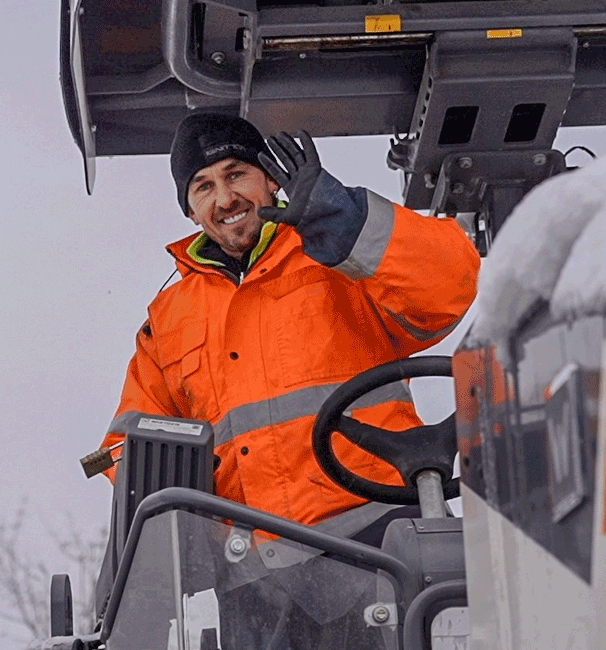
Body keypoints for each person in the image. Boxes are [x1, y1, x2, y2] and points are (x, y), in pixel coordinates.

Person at [98, 112, 480, 536]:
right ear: (190, 211)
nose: (225, 199)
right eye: (204, 186)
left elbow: (448, 286)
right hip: (253, 568)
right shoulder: (166, 319)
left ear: (271, 180)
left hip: (383, 526)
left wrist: (347, 220)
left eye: (236, 174)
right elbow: (127, 451)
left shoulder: (335, 251)